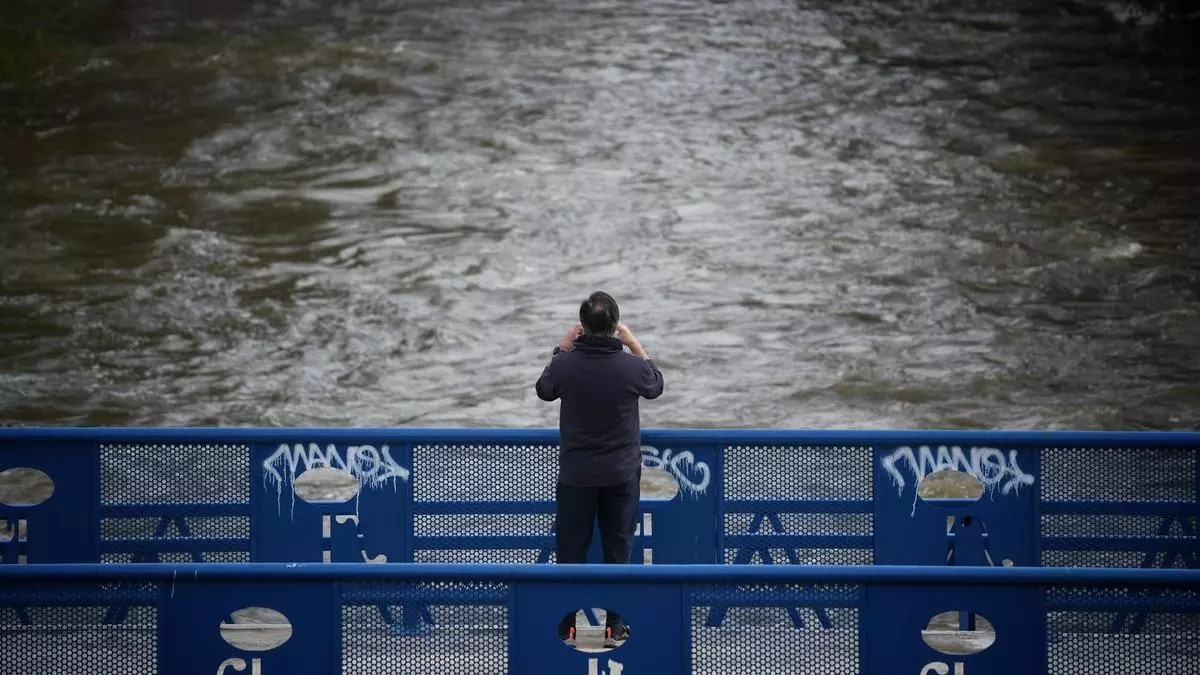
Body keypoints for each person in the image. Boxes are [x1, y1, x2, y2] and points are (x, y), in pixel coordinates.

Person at [535, 291, 664, 648]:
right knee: (617, 550)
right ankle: (614, 627)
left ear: (582, 328)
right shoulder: (632, 368)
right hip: (621, 475)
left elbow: (544, 390)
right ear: (614, 327)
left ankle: (567, 626)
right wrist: (634, 342)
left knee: (571, 552)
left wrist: (561, 347)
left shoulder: (565, 364)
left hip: (576, 474)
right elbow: (656, 385)